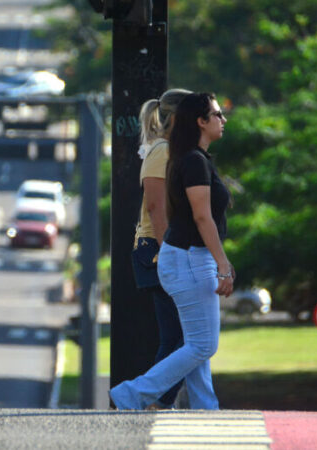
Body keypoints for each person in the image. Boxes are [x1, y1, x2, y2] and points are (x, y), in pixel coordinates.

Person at [111, 92, 233, 410]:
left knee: (196, 341)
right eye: (217, 114)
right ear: (200, 121)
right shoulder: (189, 159)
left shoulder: (193, 157)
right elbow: (200, 215)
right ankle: (133, 394)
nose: (223, 120)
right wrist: (222, 262)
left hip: (190, 257)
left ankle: (206, 407)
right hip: (189, 257)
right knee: (201, 343)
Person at [130, 88, 191, 410]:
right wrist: (173, 251)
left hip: (166, 248)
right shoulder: (162, 151)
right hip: (157, 248)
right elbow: (155, 207)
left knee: (180, 336)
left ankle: (157, 400)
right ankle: (151, 398)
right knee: (184, 338)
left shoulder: (175, 151)